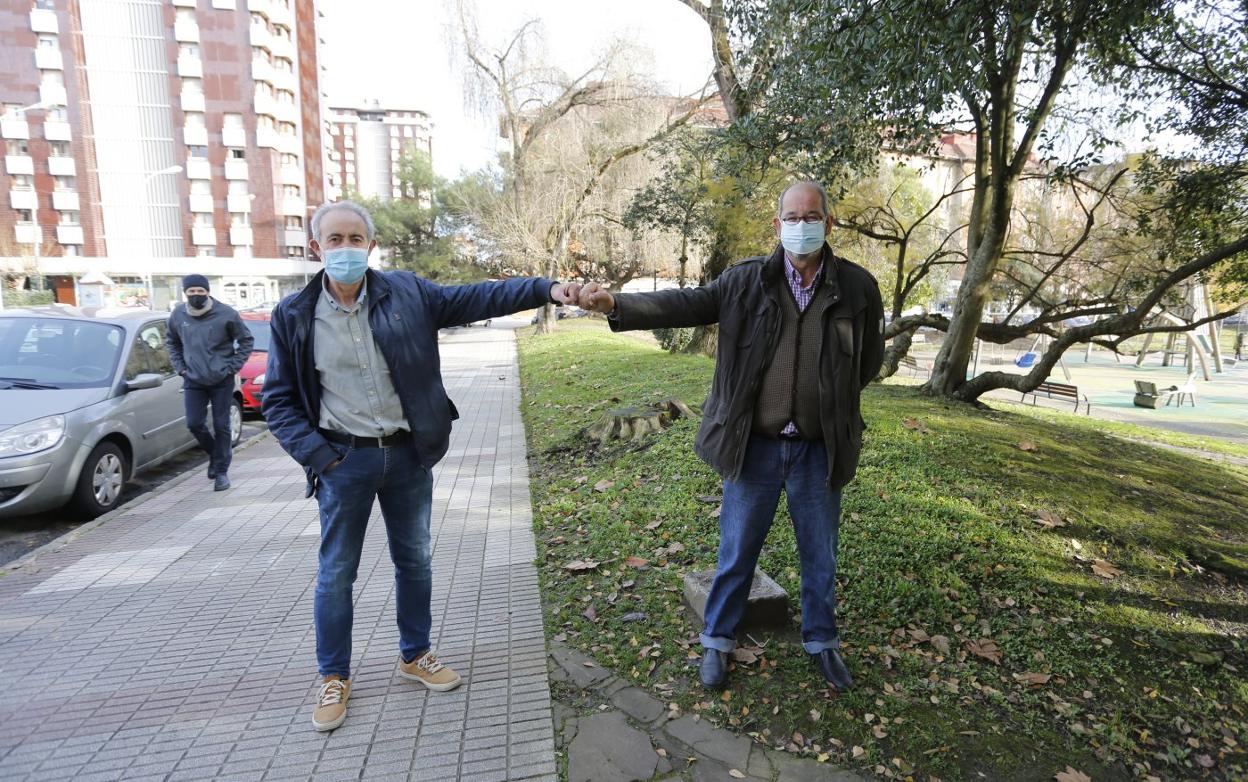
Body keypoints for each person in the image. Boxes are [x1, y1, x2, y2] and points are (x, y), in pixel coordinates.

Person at [262, 200, 585, 732]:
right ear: (316, 248)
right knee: (336, 573)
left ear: (370, 245)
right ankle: (334, 675)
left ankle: (415, 654)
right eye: (334, 240)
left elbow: (480, 294)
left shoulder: (407, 292)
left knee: (415, 560)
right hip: (345, 461)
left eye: (355, 238)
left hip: (408, 456)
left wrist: (545, 288)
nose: (345, 248)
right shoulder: (294, 314)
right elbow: (278, 400)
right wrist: (323, 458)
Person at [577, 181, 884, 691]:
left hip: (818, 449)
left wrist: (826, 406)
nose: (801, 225)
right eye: (792, 216)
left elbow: (867, 362)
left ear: (829, 224)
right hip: (754, 445)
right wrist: (617, 305)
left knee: (820, 554)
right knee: (737, 550)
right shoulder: (746, 281)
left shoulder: (857, 287)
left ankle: (822, 642)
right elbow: (686, 304)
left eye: (812, 217)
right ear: (777, 224)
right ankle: (718, 641)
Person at [166, 274, 254, 492]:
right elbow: (172, 342)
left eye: (200, 291)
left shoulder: (226, 314)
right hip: (193, 378)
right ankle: (216, 454)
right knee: (194, 423)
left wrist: (232, 367)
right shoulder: (178, 314)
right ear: (185, 293)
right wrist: (181, 367)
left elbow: (246, 340)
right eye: (191, 291)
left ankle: (222, 472)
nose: (196, 295)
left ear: (207, 291)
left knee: (222, 425)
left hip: (221, 379)